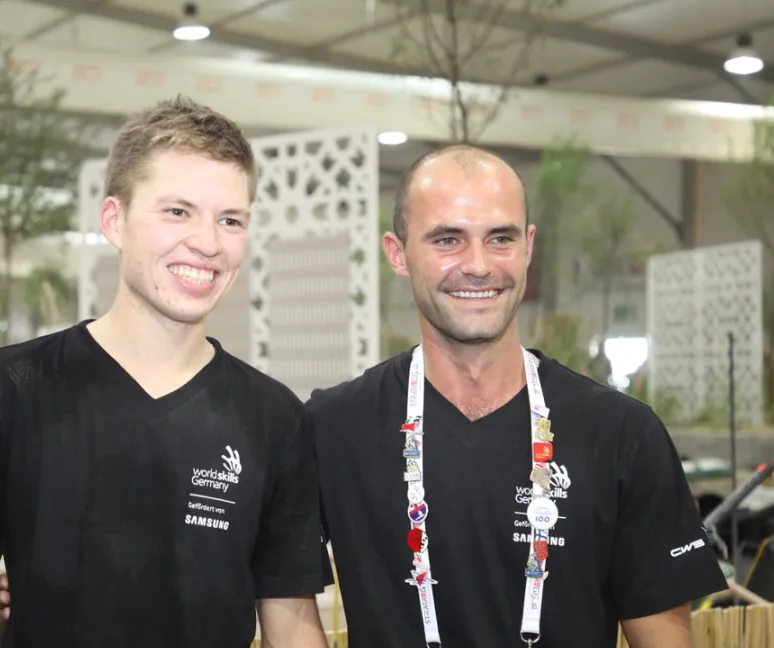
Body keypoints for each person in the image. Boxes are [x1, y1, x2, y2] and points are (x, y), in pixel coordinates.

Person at [306, 144, 726, 647]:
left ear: (528, 247)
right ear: (398, 254)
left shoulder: (620, 434)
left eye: (499, 238)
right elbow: (276, 596)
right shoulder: (333, 427)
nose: (479, 265)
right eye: (448, 239)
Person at [0, 96, 331, 648]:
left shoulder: (274, 418)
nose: (207, 243)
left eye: (230, 220)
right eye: (177, 211)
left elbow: (290, 621)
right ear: (115, 220)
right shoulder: (10, 389)